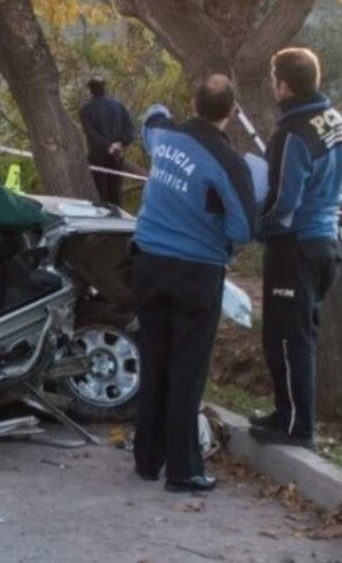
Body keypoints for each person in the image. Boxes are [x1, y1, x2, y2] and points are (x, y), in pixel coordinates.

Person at [132, 75, 256, 492]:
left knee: (154, 361)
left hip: (147, 262)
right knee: (187, 369)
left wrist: (160, 110)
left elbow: (150, 121)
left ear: (193, 102)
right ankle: (183, 470)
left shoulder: (164, 138)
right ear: (232, 113)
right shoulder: (227, 162)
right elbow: (243, 228)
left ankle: (147, 459)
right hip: (196, 272)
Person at [250, 48, 342, 449]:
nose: (273, 85)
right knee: (302, 334)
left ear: (283, 85)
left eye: (274, 78)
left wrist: (255, 228)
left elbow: (284, 203)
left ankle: (294, 426)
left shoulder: (293, 133)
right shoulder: (333, 120)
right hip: (326, 243)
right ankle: (289, 414)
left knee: (286, 338)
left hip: (295, 247)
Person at [79, 77, 135, 206]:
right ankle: (117, 222)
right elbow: (130, 131)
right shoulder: (119, 107)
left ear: (90, 91)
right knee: (115, 194)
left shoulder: (86, 110)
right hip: (117, 156)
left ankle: (103, 223)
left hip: (97, 156)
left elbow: (91, 133)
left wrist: (108, 145)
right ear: (105, 88)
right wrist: (120, 144)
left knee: (99, 195)